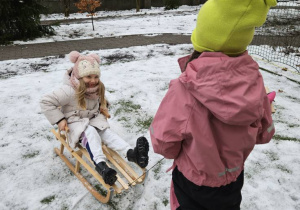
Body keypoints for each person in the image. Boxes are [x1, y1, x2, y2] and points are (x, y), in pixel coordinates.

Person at [149, 0, 277, 209]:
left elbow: (163, 142)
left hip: (194, 180)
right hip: (233, 179)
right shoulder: (254, 81)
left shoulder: (185, 89)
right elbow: (265, 133)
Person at [40, 51, 149, 186]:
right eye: (88, 77)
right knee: (90, 132)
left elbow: (101, 100)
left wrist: (103, 106)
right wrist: (60, 119)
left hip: (92, 117)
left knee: (107, 132)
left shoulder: (97, 88)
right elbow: (46, 101)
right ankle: (101, 166)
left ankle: (132, 153)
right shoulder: (68, 90)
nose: (93, 81)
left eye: (96, 76)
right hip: (74, 122)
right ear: (79, 76)